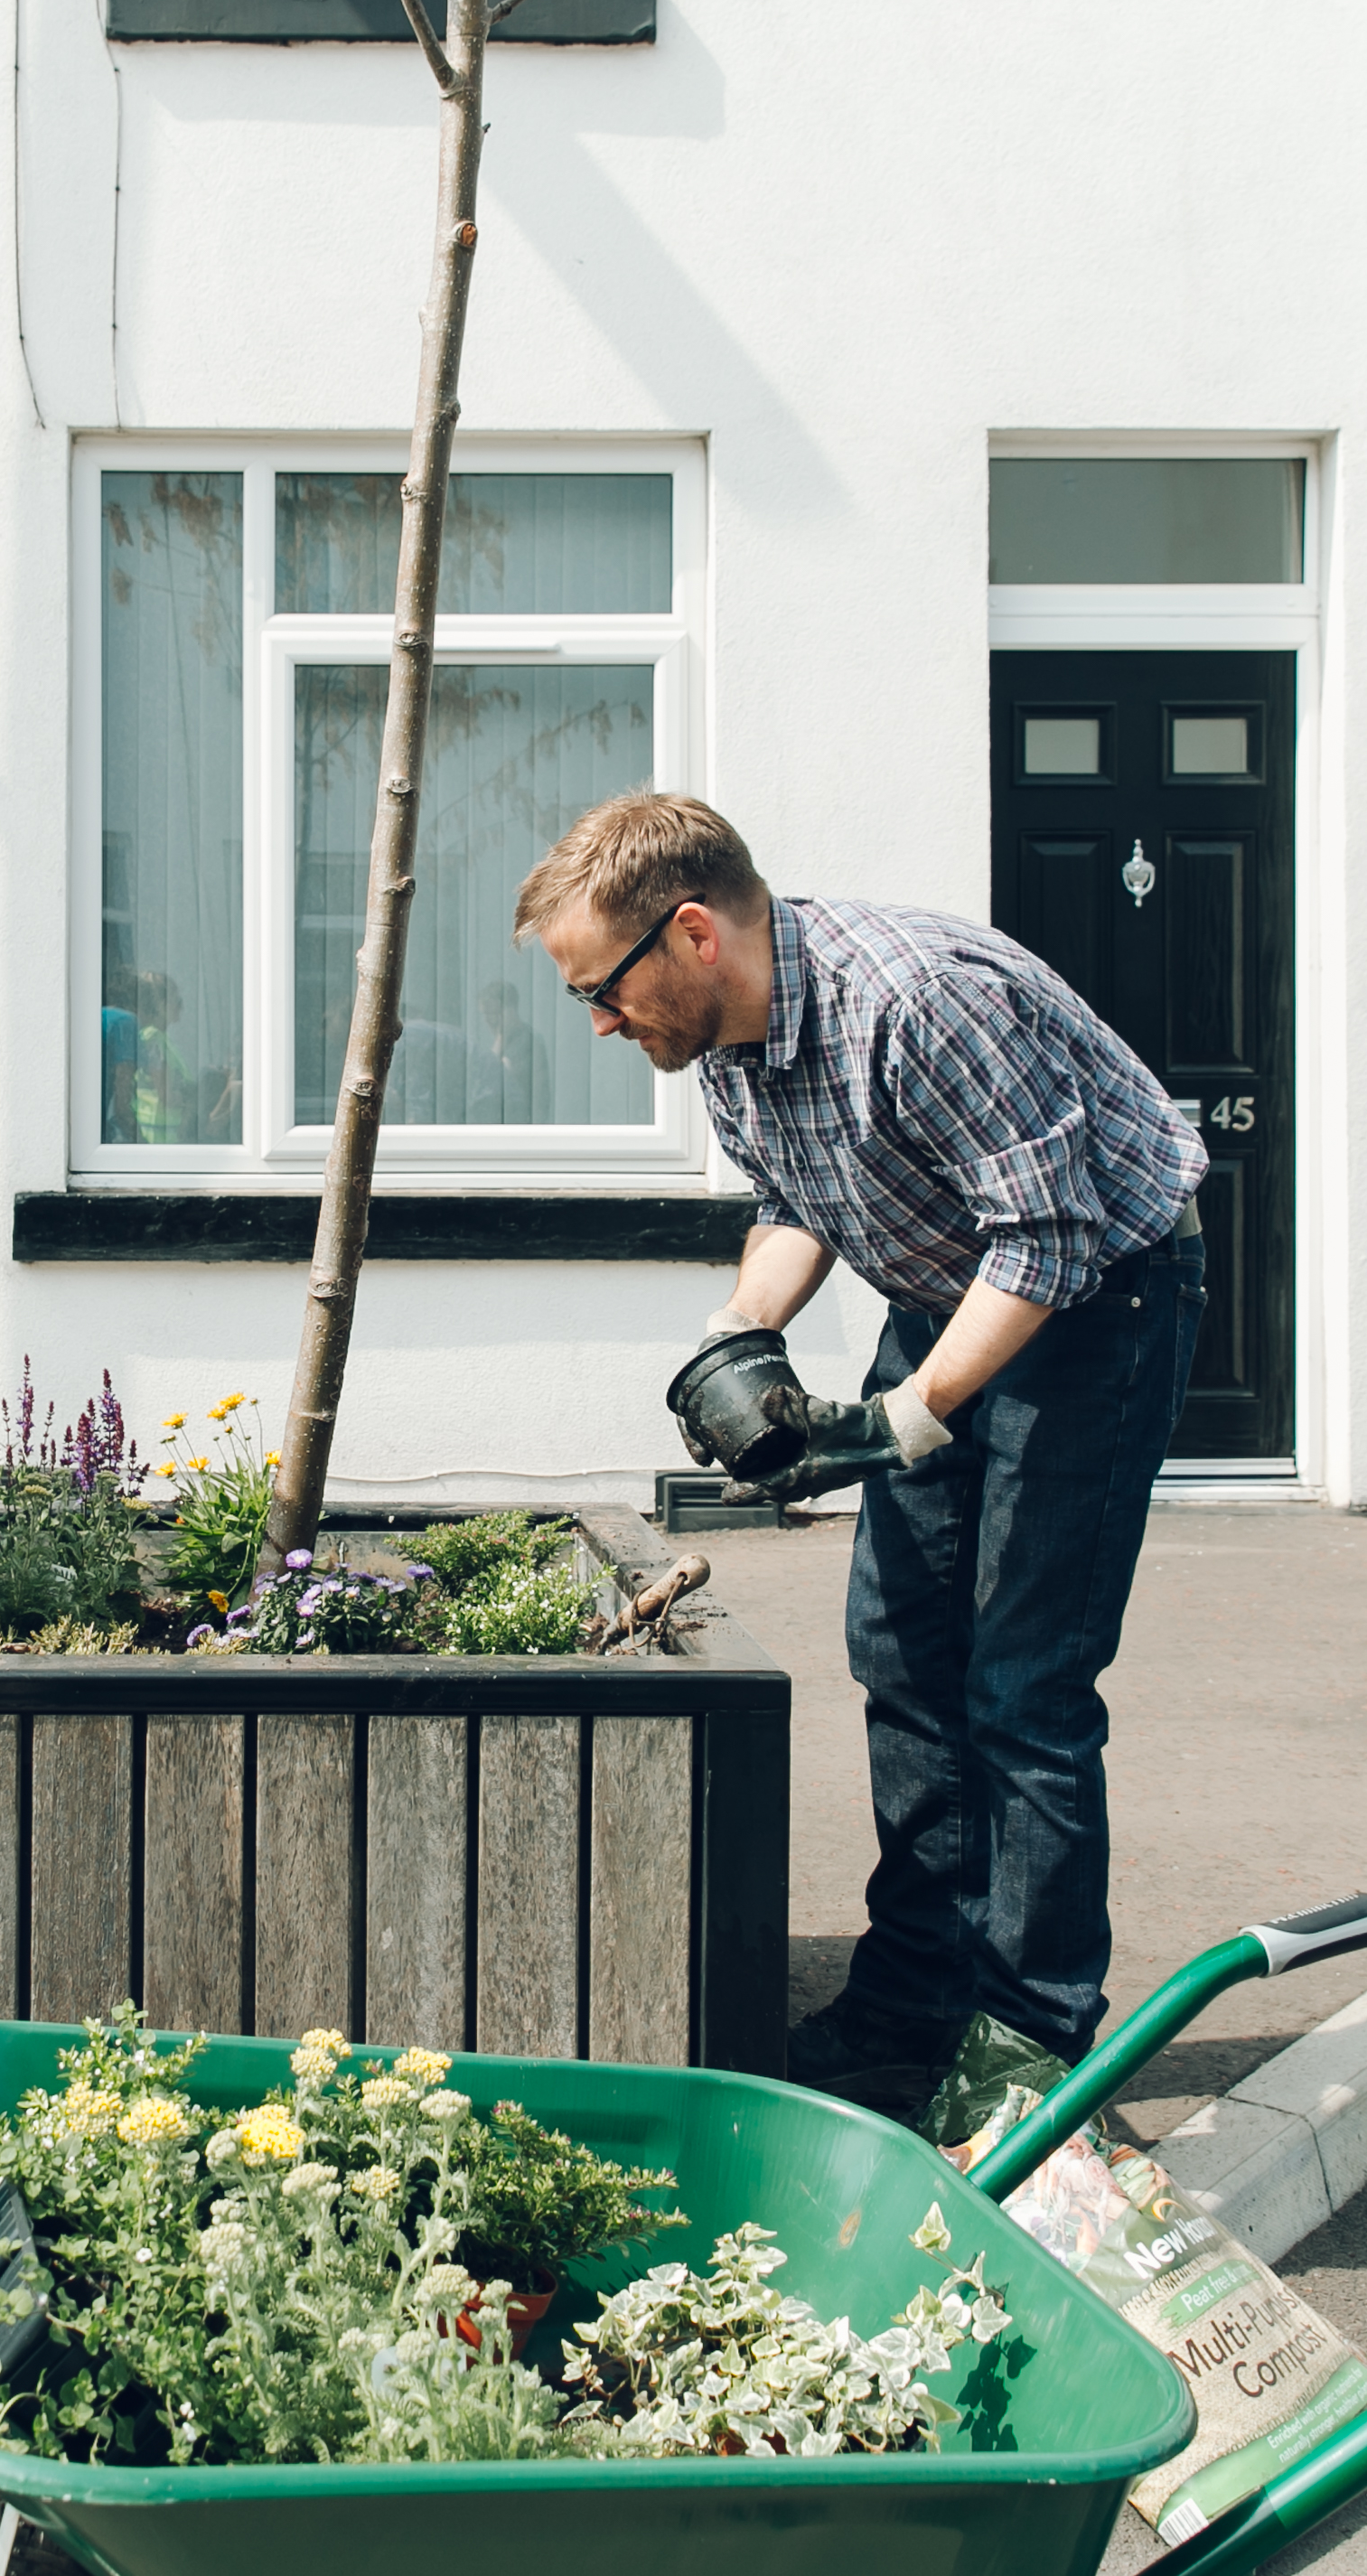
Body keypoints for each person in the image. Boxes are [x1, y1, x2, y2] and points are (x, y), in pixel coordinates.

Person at [513, 792, 1206, 2119]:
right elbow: (799, 1200)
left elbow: (1051, 1240)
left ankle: (1032, 2044)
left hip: (1103, 1298)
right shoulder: (722, 1046)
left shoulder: (920, 1006)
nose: (602, 1022)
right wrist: (741, 1331)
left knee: (1024, 1683)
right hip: (950, 1290)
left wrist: (897, 1420)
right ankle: (914, 1999)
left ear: (694, 933)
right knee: (900, 1650)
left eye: (603, 990)